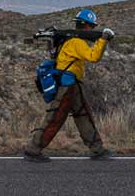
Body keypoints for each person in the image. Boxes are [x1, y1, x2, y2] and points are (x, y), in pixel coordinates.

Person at [23, 9, 114, 163]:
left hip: (72, 84)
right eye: (91, 26)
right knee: (55, 118)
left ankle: (97, 149)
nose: (92, 29)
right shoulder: (76, 42)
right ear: (86, 26)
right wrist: (103, 40)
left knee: (83, 115)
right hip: (68, 85)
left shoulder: (68, 40)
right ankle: (33, 149)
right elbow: (93, 57)